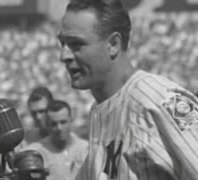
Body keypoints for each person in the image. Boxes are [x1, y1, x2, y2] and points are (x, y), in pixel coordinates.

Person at [57, 0, 198, 179]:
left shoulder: (156, 100)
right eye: (62, 43)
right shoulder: (99, 108)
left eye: (76, 44)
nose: (64, 55)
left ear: (114, 44)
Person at [24, 100, 88, 180]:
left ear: (70, 120)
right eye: (54, 124)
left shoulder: (86, 150)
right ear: (47, 124)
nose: (59, 128)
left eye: (63, 122)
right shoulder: (35, 153)